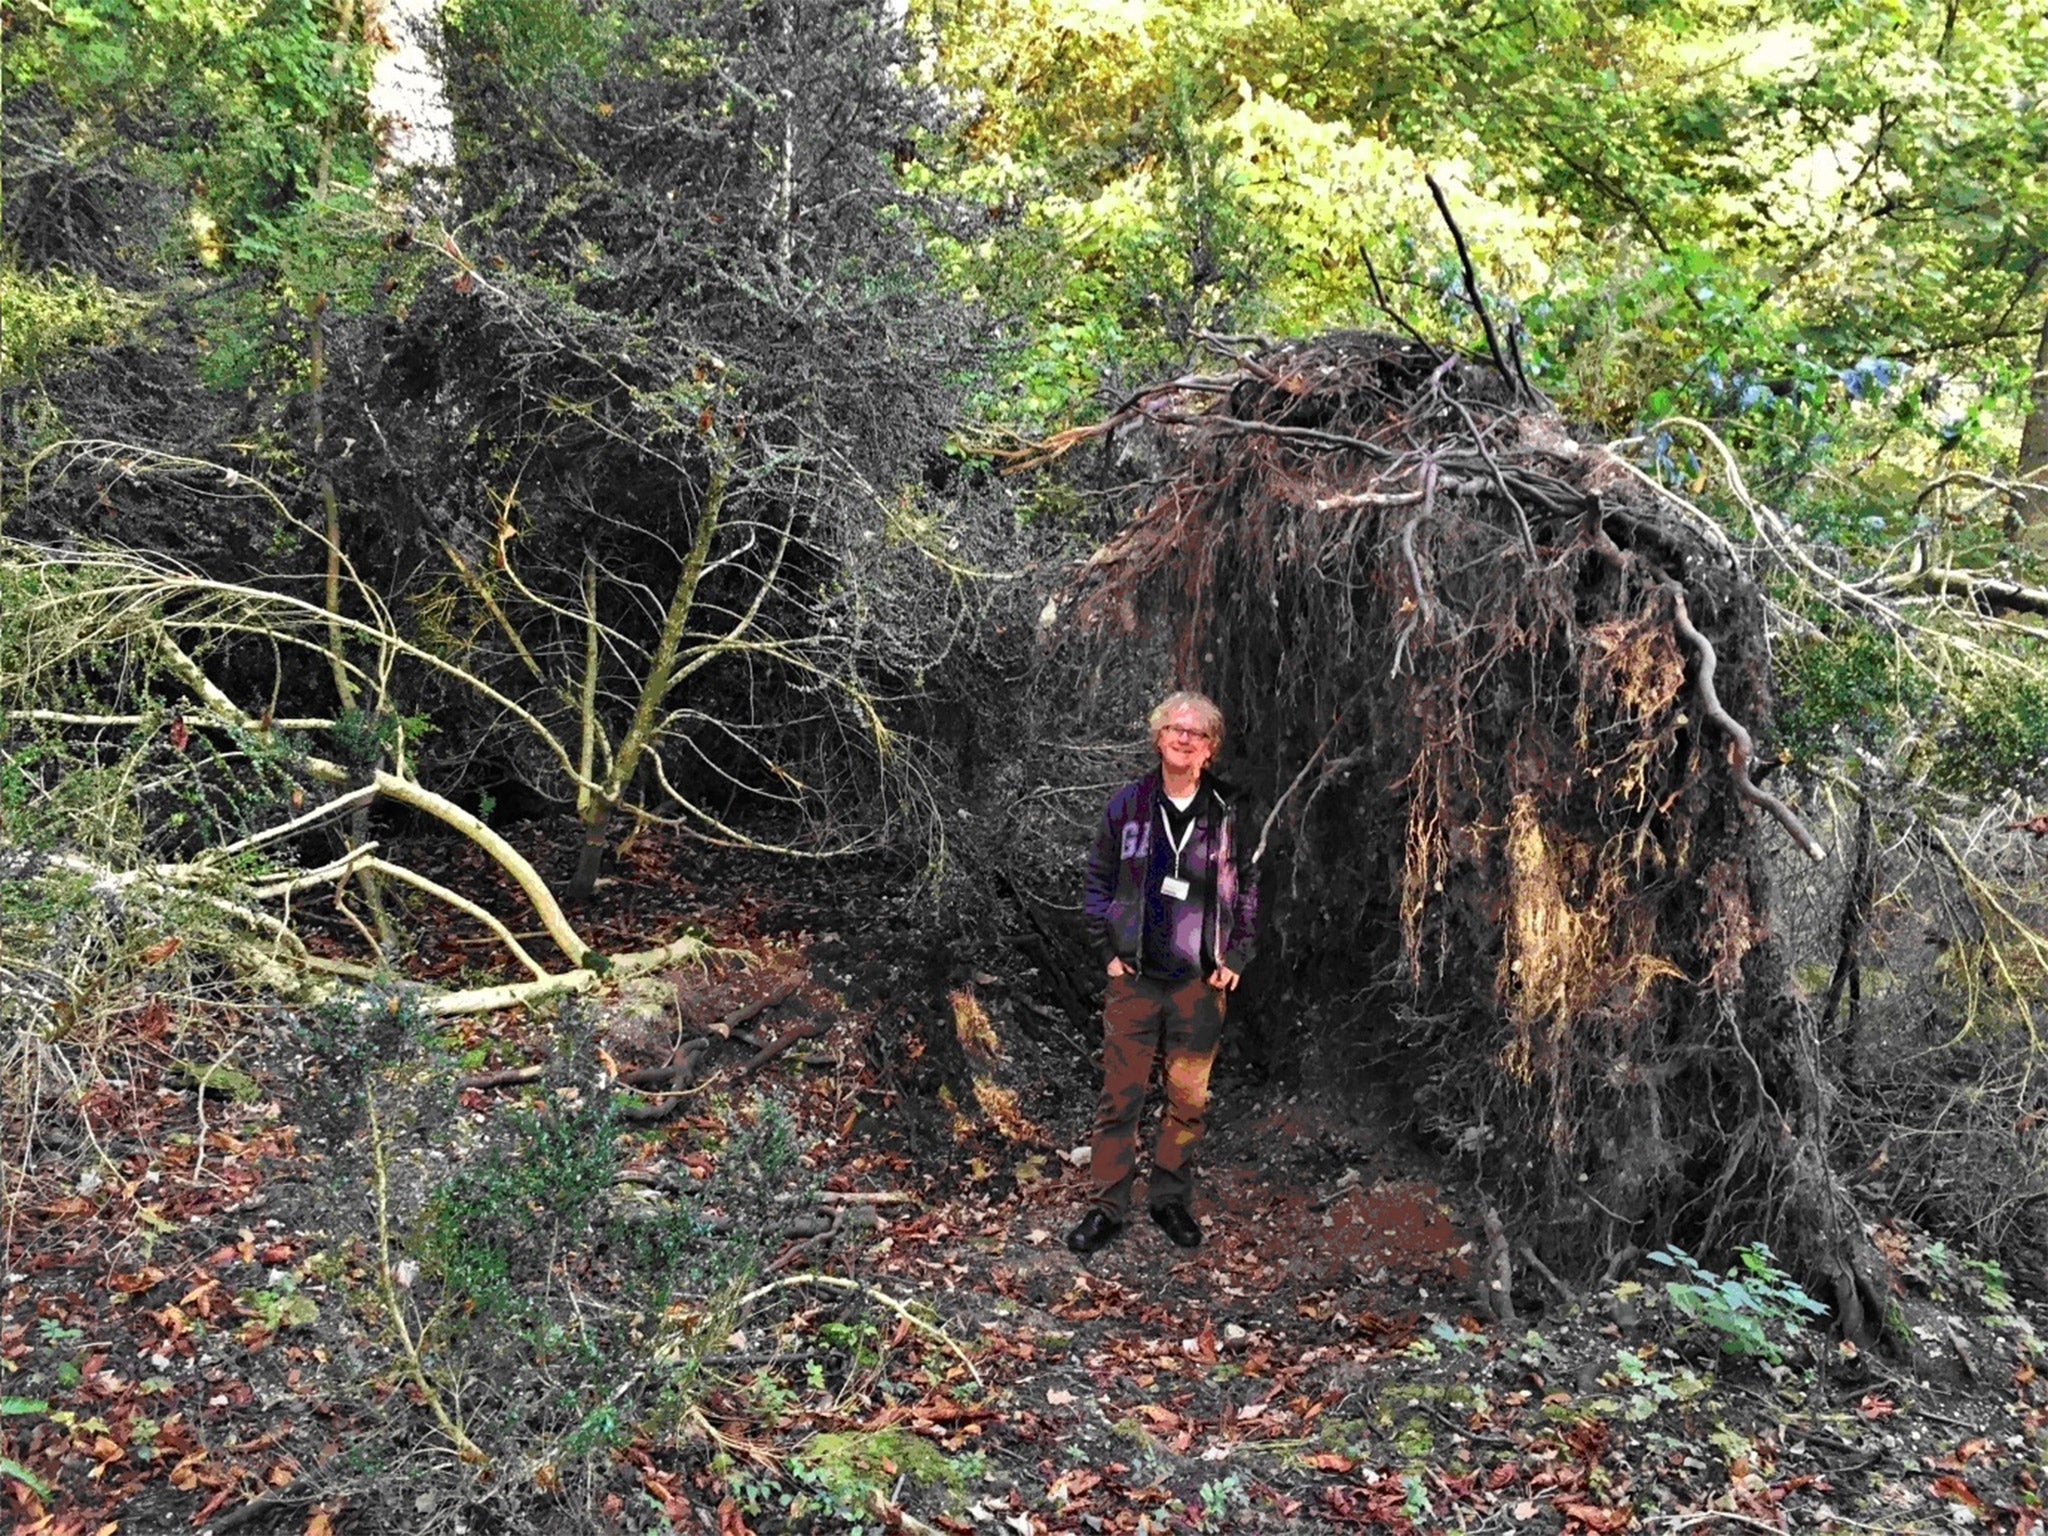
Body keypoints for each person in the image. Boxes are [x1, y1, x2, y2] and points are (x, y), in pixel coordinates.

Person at [1068, 690, 1258, 1255]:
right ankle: (1107, 1206)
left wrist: (1237, 956)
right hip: (1134, 979)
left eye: (1195, 733)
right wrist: (1105, 950)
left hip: (1199, 983)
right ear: (1157, 738)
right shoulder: (1127, 805)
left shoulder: (1226, 815)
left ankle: (1169, 1200)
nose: (1183, 737)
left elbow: (1247, 888)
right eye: (1174, 728)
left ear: (1210, 748)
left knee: (1187, 1101)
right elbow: (1097, 881)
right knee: (1119, 1097)